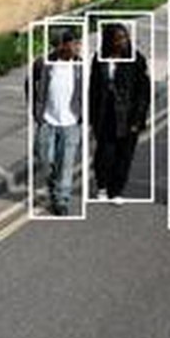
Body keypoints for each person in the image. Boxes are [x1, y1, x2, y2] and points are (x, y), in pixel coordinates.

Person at [89, 22, 152, 200]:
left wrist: (138, 120)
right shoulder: (99, 58)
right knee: (104, 154)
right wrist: (91, 117)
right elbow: (93, 89)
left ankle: (116, 190)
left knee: (124, 155)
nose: (123, 41)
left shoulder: (137, 59)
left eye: (125, 37)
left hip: (128, 116)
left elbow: (143, 93)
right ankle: (102, 185)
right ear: (109, 41)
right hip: (105, 114)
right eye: (119, 38)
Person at [28, 27, 84, 216]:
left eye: (78, 43)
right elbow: (30, 86)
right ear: (61, 45)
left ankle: (61, 200)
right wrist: (36, 112)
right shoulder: (42, 63)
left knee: (66, 164)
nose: (78, 47)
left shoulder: (80, 65)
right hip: (47, 122)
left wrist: (82, 114)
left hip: (71, 123)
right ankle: (54, 189)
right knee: (45, 161)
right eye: (73, 43)